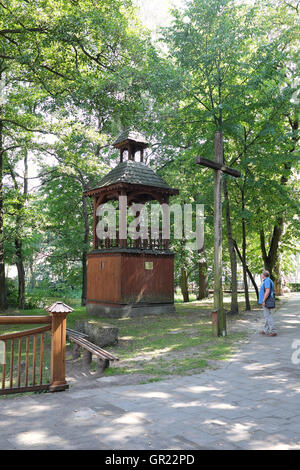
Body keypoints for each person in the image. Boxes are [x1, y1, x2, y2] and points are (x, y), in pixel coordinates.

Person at [258, 270, 277, 336]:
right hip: (267, 300)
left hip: (267, 301)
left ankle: (273, 331)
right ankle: (265, 330)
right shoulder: (267, 280)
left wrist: (263, 301)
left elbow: (267, 291)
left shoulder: (267, 281)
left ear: (263, 275)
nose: (261, 275)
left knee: (268, 316)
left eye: (261, 274)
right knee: (267, 315)